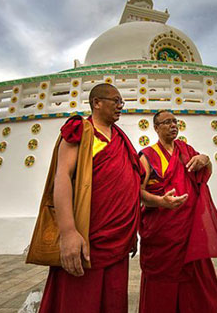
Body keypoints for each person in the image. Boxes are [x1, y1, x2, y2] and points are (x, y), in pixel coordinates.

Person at [38, 84, 143, 313]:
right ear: (97, 103)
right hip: (87, 237)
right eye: (115, 101)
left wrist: (131, 228)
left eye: (121, 102)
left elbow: (130, 185)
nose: (120, 107)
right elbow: (62, 177)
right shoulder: (81, 131)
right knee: (79, 303)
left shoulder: (121, 139)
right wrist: (68, 232)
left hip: (118, 240)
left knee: (113, 302)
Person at [138, 110, 217, 313]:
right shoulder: (146, 156)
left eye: (175, 121)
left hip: (191, 234)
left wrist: (205, 159)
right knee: (162, 289)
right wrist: (161, 201)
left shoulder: (186, 151)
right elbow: (137, 193)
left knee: (196, 288)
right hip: (163, 236)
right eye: (167, 122)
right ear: (156, 128)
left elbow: (202, 175)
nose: (173, 125)